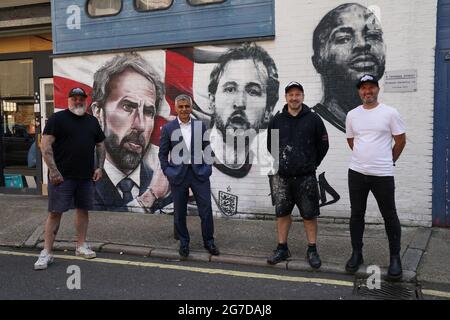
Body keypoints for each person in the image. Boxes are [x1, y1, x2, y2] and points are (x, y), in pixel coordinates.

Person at [192, 43, 279, 216]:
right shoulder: (190, 161)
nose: (239, 102)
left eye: (253, 91)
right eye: (230, 89)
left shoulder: (269, 173)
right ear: (212, 100)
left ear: (268, 110)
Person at [34, 87, 106, 270]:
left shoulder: (92, 121)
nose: (78, 101)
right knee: (55, 212)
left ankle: (81, 246)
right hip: (62, 177)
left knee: (83, 210)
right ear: (68, 100)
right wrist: (54, 171)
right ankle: (46, 253)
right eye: (74, 98)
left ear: (86, 101)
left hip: (85, 176)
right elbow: (45, 146)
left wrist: (100, 167)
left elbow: (101, 145)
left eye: (81, 98)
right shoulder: (57, 119)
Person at [90, 53, 170, 213]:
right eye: (128, 106)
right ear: (98, 112)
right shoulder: (79, 177)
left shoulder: (162, 183)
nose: (140, 125)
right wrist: (149, 197)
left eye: (148, 112)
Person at [345, 74, 406, 280]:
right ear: (359, 92)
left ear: (377, 89)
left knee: (389, 216)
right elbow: (352, 140)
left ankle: (395, 258)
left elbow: (400, 141)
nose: (367, 91)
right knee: (356, 215)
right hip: (356, 173)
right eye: (363, 88)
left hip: (382, 174)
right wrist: (364, 158)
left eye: (371, 87)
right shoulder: (352, 114)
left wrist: (388, 161)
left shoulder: (390, 113)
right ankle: (356, 253)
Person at [266, 81, 329, 269]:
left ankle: (312, 249)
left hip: (306, 177)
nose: (294, 98)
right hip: (282, 177)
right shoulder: (277, 120)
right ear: (286, 97)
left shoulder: (314, 119)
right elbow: (271, 145)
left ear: (302, 96)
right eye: (290, 94)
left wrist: (311, 163)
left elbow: (323, 145)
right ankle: (282, 248)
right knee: (282, 214)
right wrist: (284, 163)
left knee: (309, 215)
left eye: (298, 94)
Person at [158, 94, 219, 258]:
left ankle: (209, 242)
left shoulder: (201, 126)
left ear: (190, 108)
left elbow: (208, 150)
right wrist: (168, 172)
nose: (184, 109)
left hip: (199, 175)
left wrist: (207, 169)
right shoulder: (168, 129)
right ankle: (184, 243)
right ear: (176, 108)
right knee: (179, 212)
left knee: (205, 210)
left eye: (187, 106)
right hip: (178, 177)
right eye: (181, 107)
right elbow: (163, 155)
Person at [312, 3, 386, 132]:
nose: (363, 44)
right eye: (344, 38)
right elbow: (273, 150)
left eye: (373, 35)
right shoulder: (290, 121)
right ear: (318, 61)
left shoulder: (388, 117)